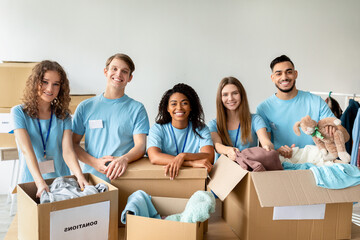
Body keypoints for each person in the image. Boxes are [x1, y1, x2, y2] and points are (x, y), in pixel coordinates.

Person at [11, 60, 89, 198]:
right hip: (32, 183)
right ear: (35, 82)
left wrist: (79, 176)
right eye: (45, 82)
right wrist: (40, 182)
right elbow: (27, 151)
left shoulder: (64, 116)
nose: (49, 89)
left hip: (61, 182)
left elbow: (68, 151)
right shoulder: (19, 113)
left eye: (56, 84)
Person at [72, 53, 149, 182]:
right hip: (91, 179)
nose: (118, 74)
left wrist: (123, 159)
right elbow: (73, 144)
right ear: (105, 72)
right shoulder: (85, 107)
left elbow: (140, 146)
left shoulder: (137, 109)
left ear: (130, 78)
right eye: (114, 69)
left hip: (124, 179)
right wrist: (95, 163)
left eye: (124, 71)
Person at [256, 55, 335, 158]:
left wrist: (333, 131)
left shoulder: (316, 102)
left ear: (295, 74)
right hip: (282, 163)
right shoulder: (263, 109)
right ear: (273, 78)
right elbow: (265, 147)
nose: (284, 77)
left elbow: (340, 133)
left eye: (289, 72)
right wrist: (277, 151)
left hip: (316, 161)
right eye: (279, 74)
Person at [147, 83, 214, 180]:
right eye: (174, 104)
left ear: (191, 107)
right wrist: (190, 163)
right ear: (167, 108)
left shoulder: (201, 128)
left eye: (184, 103)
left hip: (193, 179)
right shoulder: (158, 128)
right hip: (164, 178)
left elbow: (210, 156)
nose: (179, 108)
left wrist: (183, 156)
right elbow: (154, 157)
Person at [209, 77, 274, 161]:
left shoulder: (255, 120)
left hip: (249, 169)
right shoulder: (213, 124)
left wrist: (267, 146)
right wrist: (228, 150)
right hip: (224, 171)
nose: (230, 98)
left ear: (241, 95)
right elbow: (217, 145)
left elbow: (265, 140)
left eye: (235, 93)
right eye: (225, 95)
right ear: (220, 98)